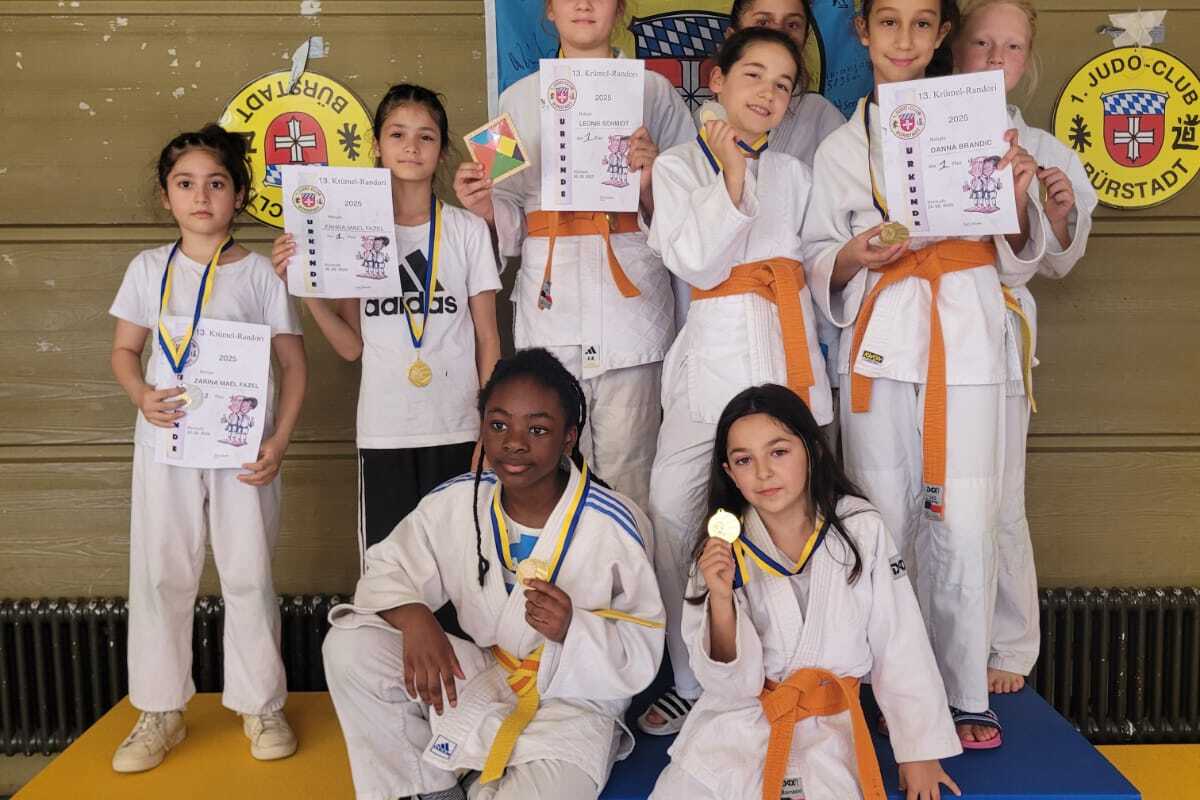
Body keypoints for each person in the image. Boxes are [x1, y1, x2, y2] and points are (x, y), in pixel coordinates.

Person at [802, 0, 1048, 747]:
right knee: (880, 514)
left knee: (966, 518)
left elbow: (1016, 258)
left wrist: (1016, 198)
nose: (903, 40)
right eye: (888, 22)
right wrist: (855, 255)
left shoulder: (981, 125)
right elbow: (818, 255)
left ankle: (964, 686)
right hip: (880, 343)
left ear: (942, 34)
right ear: (863, 31)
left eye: (920, 24)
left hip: (967, 334)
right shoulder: (839, 148)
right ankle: (890, 684)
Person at [322, 348, 665, 800]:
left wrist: (573, 629)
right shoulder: (460, 500)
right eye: (499, 425)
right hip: (488, 671)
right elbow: (388, 568)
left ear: (568, 438)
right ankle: (425, 788)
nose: (514, 443)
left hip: (576, 699)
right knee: (350, 646)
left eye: (537, 429)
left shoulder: (616, 523)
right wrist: (414, 617)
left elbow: (643, 645)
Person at [639, 27, 833, 735]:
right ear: (716, 80)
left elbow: (817, 269)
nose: (768, 93)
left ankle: (786, 667)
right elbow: (694, 260)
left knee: (787, 517)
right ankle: (691, 676)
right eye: (754, 75)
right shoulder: (676, 168)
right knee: (673, 510)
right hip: (709, 363)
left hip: (783, 357)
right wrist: (729, 175)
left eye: (783, 85)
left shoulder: (797, 175)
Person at [650, 384, 961, 800]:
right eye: (744, 460)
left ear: (812, 451)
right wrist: (720, 599)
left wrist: (918, 751)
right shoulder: (722, 548)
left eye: (779, 452)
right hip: (735, 726)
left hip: (825, 728)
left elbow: (899, 640)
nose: (763, 472)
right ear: (730, 473)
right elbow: (729, 685)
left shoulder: (859, 528)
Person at [108, 124, 307, 771]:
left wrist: (279, 440)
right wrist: (141, 394)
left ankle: (260, 704)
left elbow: (293, 365)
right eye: (186, 183)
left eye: (216, 183)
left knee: (248, 573)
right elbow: (124, 350)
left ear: (239, 194)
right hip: (166, 445)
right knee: (161, 572)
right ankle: (159, 709)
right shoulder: (148, 269)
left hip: (244, 453)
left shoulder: (261, 274)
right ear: (166, 195)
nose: (201, 196)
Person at [454, 0, 696, 513]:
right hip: (551, 307)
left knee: (631, 472)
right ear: (549, 9)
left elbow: (690, 211)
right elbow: (509, 216)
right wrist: (483, 205)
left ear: (621, 8)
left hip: (632, 312)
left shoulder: (655, 93)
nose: (584, 4)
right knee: (549, 471)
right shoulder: (518, 98)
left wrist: (652, 179)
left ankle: (628, 568)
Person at [273, 84, 502, 566]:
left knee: (461, 567)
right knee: (388, 573)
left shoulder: (466, 230)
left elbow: (488, 337)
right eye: (397, 134)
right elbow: (350, 348)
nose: (411, 147)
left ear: (442, 150)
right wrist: (305, 287)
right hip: (385, 431)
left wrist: (490, 425)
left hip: (459, 427)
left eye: (426, 136)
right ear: (376, 144)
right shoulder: (352, 231)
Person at [951, 0, 1096, 695]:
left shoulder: (1045, 150)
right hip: (915, 326)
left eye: (1010, 47)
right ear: (954, 47)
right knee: (915, 496)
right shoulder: (913, 129)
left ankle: (1008, 639)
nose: (993, 57)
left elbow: (1061, 262)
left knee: (999, 493)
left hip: (996, 329)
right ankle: (918, 639)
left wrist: (1058, 215)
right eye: (981, 42)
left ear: (1027, 61)